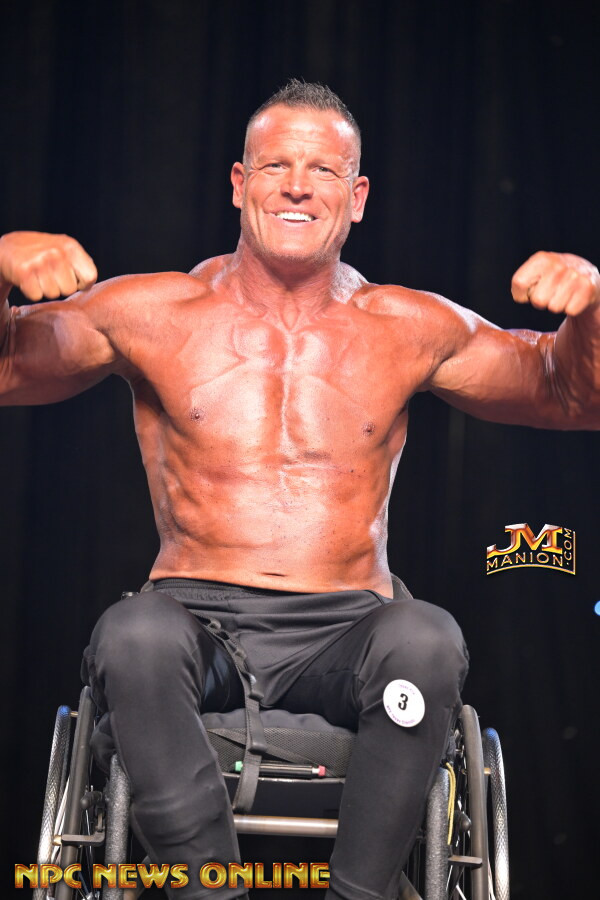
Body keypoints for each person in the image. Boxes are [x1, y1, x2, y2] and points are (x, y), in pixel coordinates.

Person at [1, 79, 599, 900]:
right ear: (239, 183)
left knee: (426, 638)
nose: (296, 186)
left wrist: (591, 309)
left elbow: (571, 394)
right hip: (195, 618)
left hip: (346, 630)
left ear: (356, 198)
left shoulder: (408, 326)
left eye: (322, 170)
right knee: (132, 635)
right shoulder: (152, 312)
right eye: (276, 165)